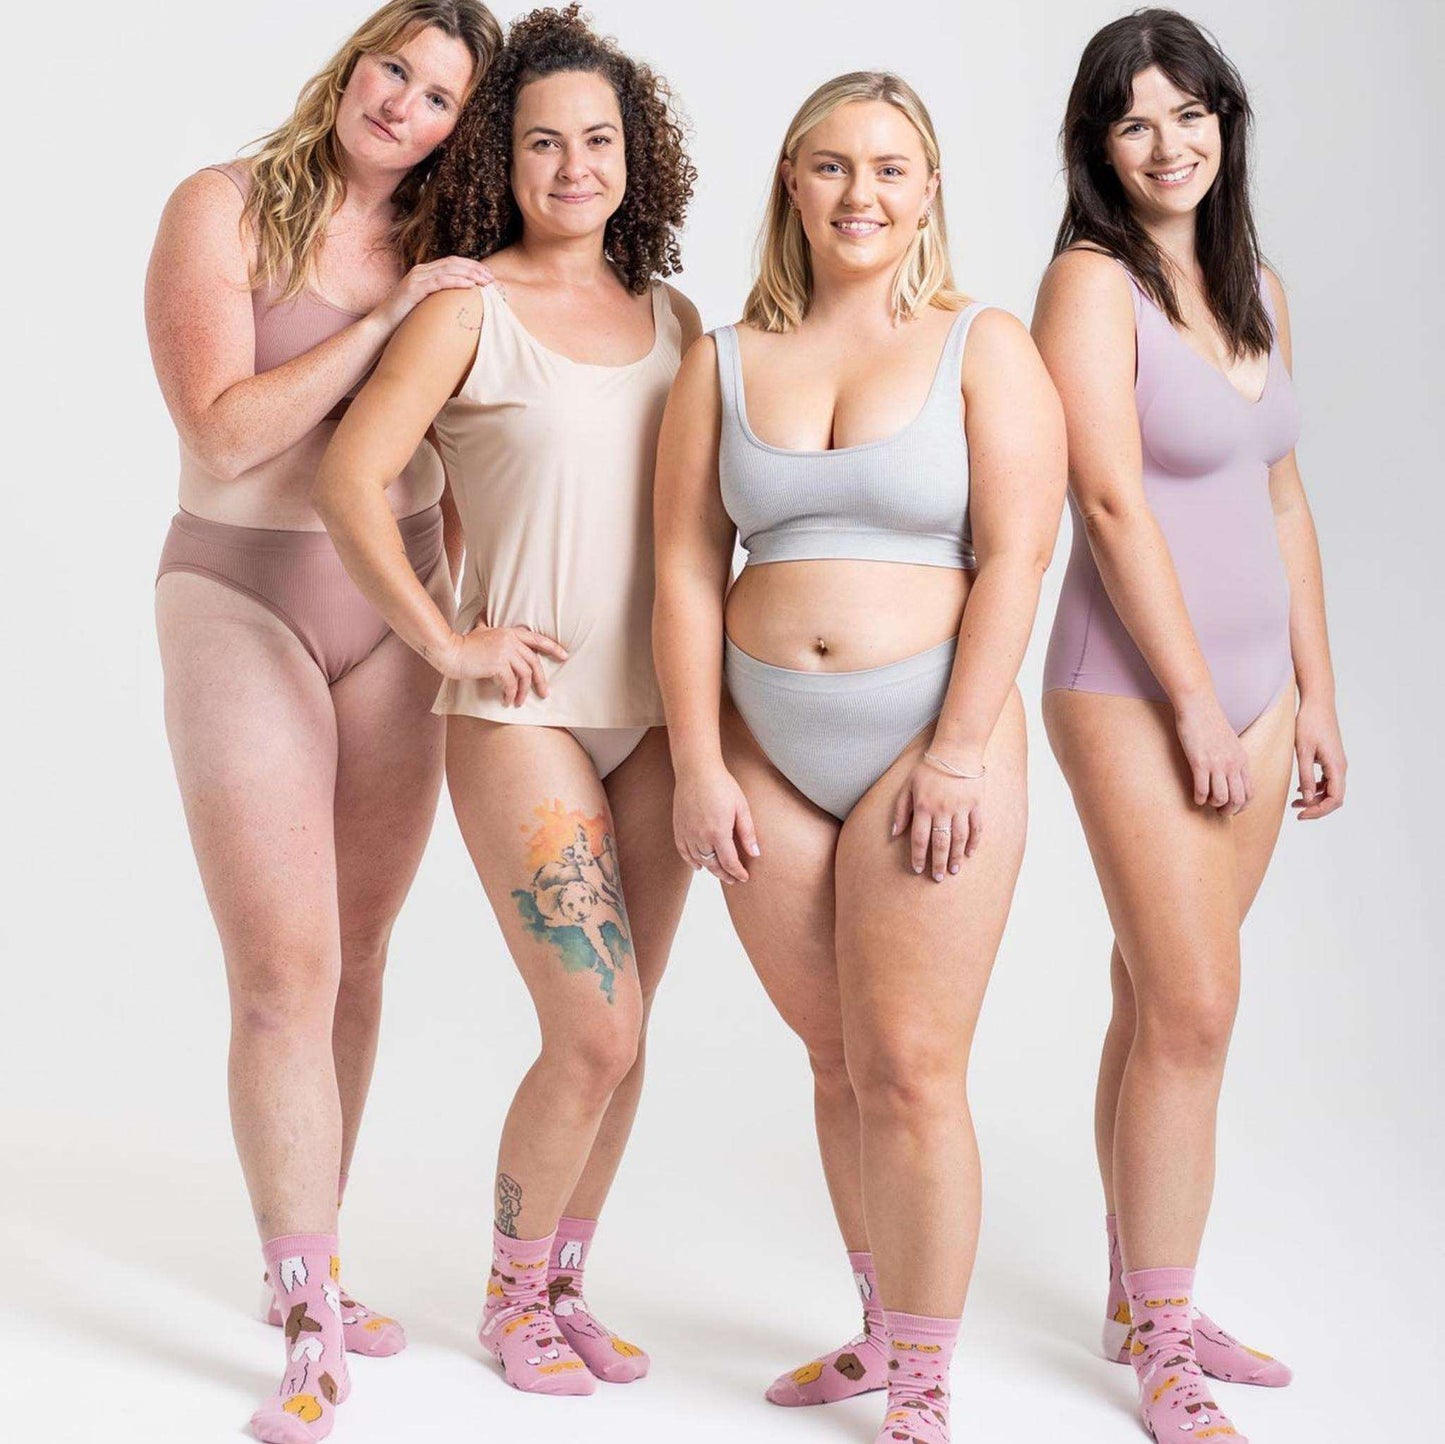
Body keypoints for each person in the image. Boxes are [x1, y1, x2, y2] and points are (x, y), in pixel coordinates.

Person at [653, 71, 1064, 1444]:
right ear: (792, 182)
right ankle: (884, 1329)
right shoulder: (720, 359)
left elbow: (1019, 554)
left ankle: (925, 1384)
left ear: (929, 189)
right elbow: (682, 570)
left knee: (912, 1066)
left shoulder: (984, 344)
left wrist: (957, 751)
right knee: (836, 1061)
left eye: (889, 168)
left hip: (929, 739)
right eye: (831, 166)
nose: (860, 194)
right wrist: (698, 763)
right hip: (760, 748)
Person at [312, 2, 699, 1401]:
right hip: (524, 718)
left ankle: (567, 1283)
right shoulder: (467, 307)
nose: (574, 166)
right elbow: (350, 478)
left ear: (634, 156)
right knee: (590, 1028)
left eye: (597, 139)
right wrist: (446, 640)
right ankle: (510, 1299)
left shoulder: (676, 319)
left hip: (662, 716)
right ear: (502, 156)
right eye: (543, 142)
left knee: (627, 1031)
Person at [147, 3, 500, 1439]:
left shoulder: (455, 243)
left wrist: (447, 602)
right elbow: (224, 429)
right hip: (241, 595)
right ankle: (305, 1323)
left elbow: (475, 447)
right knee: (280, 975)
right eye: (392, 67)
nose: (402, 103)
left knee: (355, 958)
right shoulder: (222, 206)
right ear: (353, 64)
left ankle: (316, 1258)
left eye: (438, 96)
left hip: (395, 606)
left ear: (457, 128)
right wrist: (383, 324)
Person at [1035, 10, 1348, 1440]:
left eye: (1189, 113)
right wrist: (1191, 710)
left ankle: (1133, 1294)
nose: (1167, 145)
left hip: (1259, 699)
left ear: (1225, 123)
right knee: (1196, 1007)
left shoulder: (1257, 289)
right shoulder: (1089, 286)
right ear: (1098, 147)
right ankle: (1163, 1337)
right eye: (1133, 121)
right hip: (1130, 690)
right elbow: (1106, 503)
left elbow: (1281, 499)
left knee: (1155, 996)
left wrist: (1313, 694)